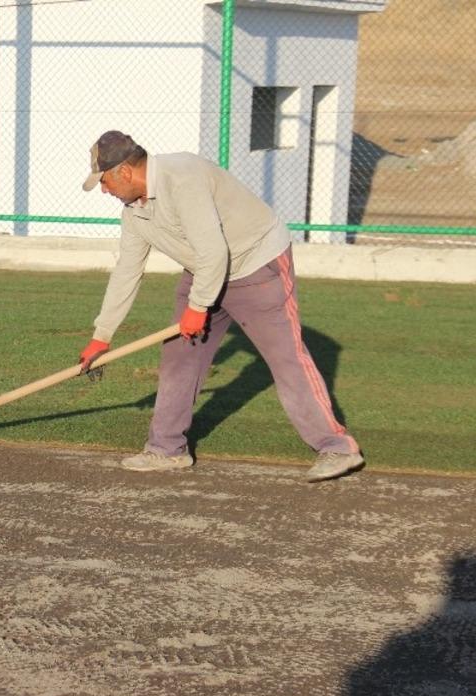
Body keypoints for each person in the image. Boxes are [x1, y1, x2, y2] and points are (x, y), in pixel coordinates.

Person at [77, 130, 363, 482]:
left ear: (124, 171)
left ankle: (337, 448)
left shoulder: (182, 178)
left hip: (256, 264)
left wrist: (198, 308)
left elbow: (214, 250)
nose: (104, 191)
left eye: (104, 181)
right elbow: (127, 271)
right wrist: (102, 336)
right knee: (179, 357)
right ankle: (167, 449)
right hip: (204, 270)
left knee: (285, 358)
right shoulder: (134, 213)